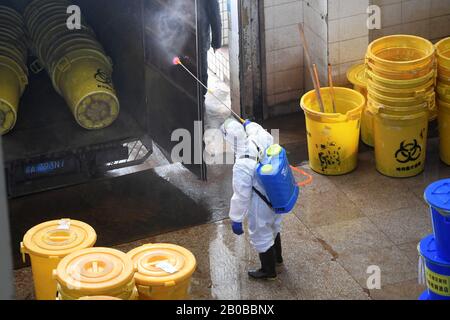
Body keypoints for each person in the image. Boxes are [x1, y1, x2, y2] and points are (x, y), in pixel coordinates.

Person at [221, 118, 284, 280]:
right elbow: (260, 131)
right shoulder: (258, 139)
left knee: (260, 233)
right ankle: (278, 258)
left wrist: (236, 218)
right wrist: (249, 124)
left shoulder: (242, 164)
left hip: (259, 202)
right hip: (275, 192)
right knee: (274, 224)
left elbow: (241, 196)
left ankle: (268, 271)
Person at [198, 0, 222, 98]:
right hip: (198, 39)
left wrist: (216, 42)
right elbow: (215, 17)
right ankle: (200, 96)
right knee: (200, 71)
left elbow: (215, 17)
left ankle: (201, 97)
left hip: (199, 39)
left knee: (201, 71)